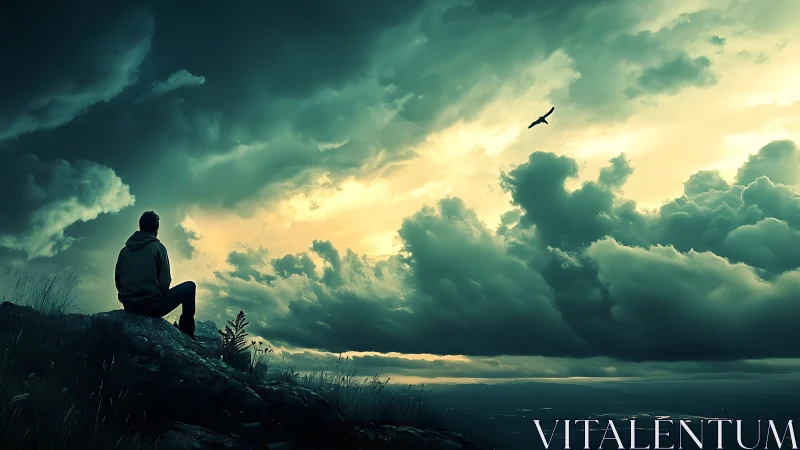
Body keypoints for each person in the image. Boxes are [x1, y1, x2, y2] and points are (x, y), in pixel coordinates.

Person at [115, 211, 196, 339]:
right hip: (151, 307)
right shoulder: (158, 247)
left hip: (129, 305)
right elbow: (165, 282)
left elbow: (118, 279)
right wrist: (154, 297)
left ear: (140, 226)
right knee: (190, 287)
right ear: (155, 229)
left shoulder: (125, 250)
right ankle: (187, 333)